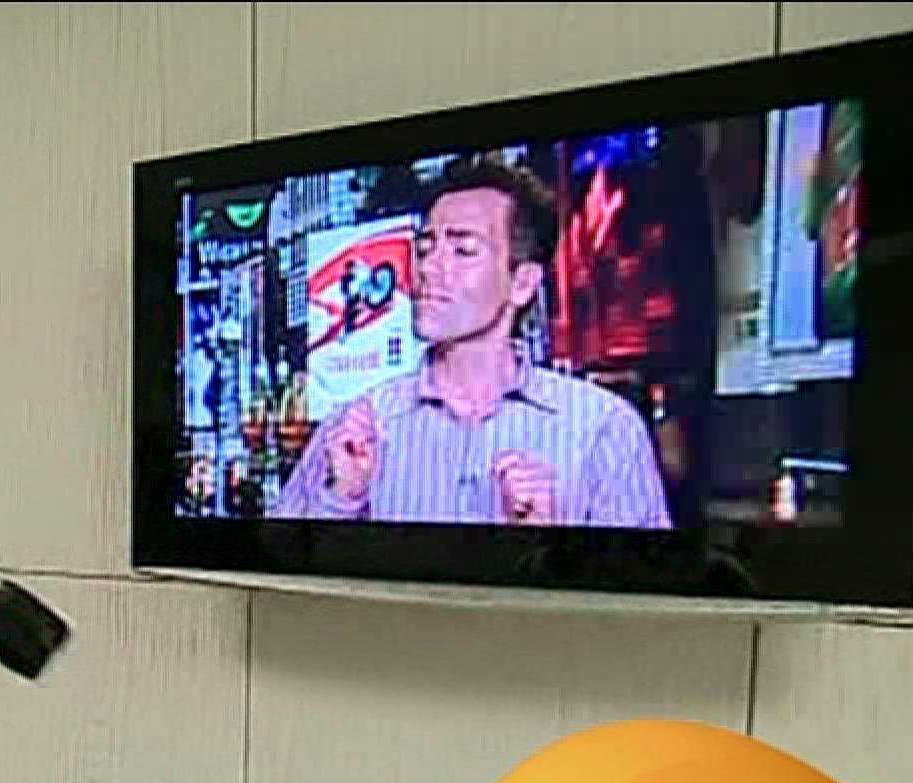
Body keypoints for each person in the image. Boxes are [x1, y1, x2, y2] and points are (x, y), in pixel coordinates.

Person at [272, 157, 671, 529]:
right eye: (424, 249)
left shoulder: (603, 430)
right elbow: (274, 569)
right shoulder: (354, 429)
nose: (429, 268)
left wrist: (550, 546)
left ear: (522, 283)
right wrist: (340, 500)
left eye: (463, 250)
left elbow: (646, 581)